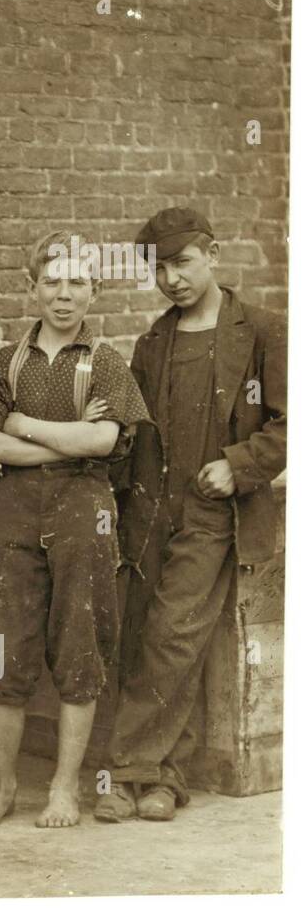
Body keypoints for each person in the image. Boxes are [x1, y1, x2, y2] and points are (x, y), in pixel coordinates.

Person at [96, 208, 286, 822]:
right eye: (159, 269)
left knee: (172, 634)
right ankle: (165, 777)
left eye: (182, 263)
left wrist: (239, 464)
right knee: (141, 632)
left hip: (213, 511)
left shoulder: (262, 331)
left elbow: (292, 422)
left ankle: (125, 772)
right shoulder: (154, 341)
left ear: (214, 255)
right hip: (152, 508)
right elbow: (138, 428)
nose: (172, 279)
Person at [0, 231, 148, 830]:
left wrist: (23, 424)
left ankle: (64, 789)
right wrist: (60, 438)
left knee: (79, 647)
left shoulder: (108, 362)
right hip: (12, 511)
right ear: (34, 286)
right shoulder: (7, 362)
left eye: (77, 282)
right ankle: (2, 790)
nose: (64, 295)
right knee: (2, 649)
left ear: (94, 290)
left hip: (83, 510)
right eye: (52, 281)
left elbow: (104, 441)